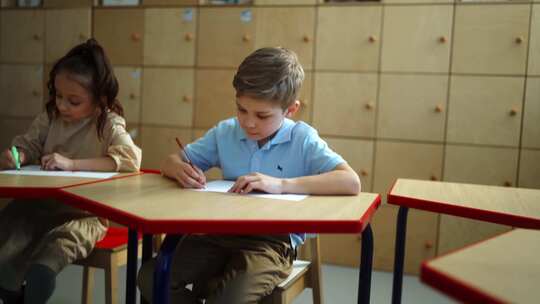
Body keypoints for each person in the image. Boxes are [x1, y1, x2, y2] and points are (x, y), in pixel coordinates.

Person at [138, 47, 360, 303]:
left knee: (228, 299)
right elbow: (171, 160)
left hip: (270, 243)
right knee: (151, 278)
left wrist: (281, 184)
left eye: (262, 115)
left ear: (291, 110)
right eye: (242, 110)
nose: (249, 123)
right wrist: (179, 169)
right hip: (216, 233)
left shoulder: (302, 139)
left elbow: (350, 181)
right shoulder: (226, 132)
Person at [0, 38, 141, 304]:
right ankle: (11, 291)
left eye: (73, 101)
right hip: (39, 206)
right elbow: (29, 144)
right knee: (9, 235)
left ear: (99, 100)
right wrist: (17, 155)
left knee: (53, 256)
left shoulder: (107, 122)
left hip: (86, 215)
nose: (62, 105)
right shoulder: (51, 116)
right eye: (58, 95)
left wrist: (72, 164)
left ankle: (36, 282)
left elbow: (129, 159)